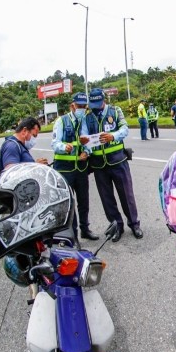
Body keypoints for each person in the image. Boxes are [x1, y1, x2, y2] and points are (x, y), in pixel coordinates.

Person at [80, 88, 143, 242]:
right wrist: (85, 147)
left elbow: (125, 129)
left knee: (126, 195)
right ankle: (117, 226)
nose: (96, 107)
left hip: (118, 161)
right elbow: (85, 137)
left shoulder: (115, 112)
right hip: (99, 165)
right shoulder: (87, 118)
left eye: (98, 103)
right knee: (107, 198)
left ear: (104, 100)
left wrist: (112, 136)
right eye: (93, 104)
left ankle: (134, 224)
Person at [51, 92, 99, 242]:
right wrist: (64, 147)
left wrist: (86, 151)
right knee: (69, 203)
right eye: (79, 106)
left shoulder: (83, 121)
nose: (82, 109)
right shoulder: (61, 121)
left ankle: (85, 229)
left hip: (80, 168)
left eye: (84, 107)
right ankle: (73, 235)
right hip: (64, 169)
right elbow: (54, 143)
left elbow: (87, 142)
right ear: (72, 105)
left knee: (83, 201)